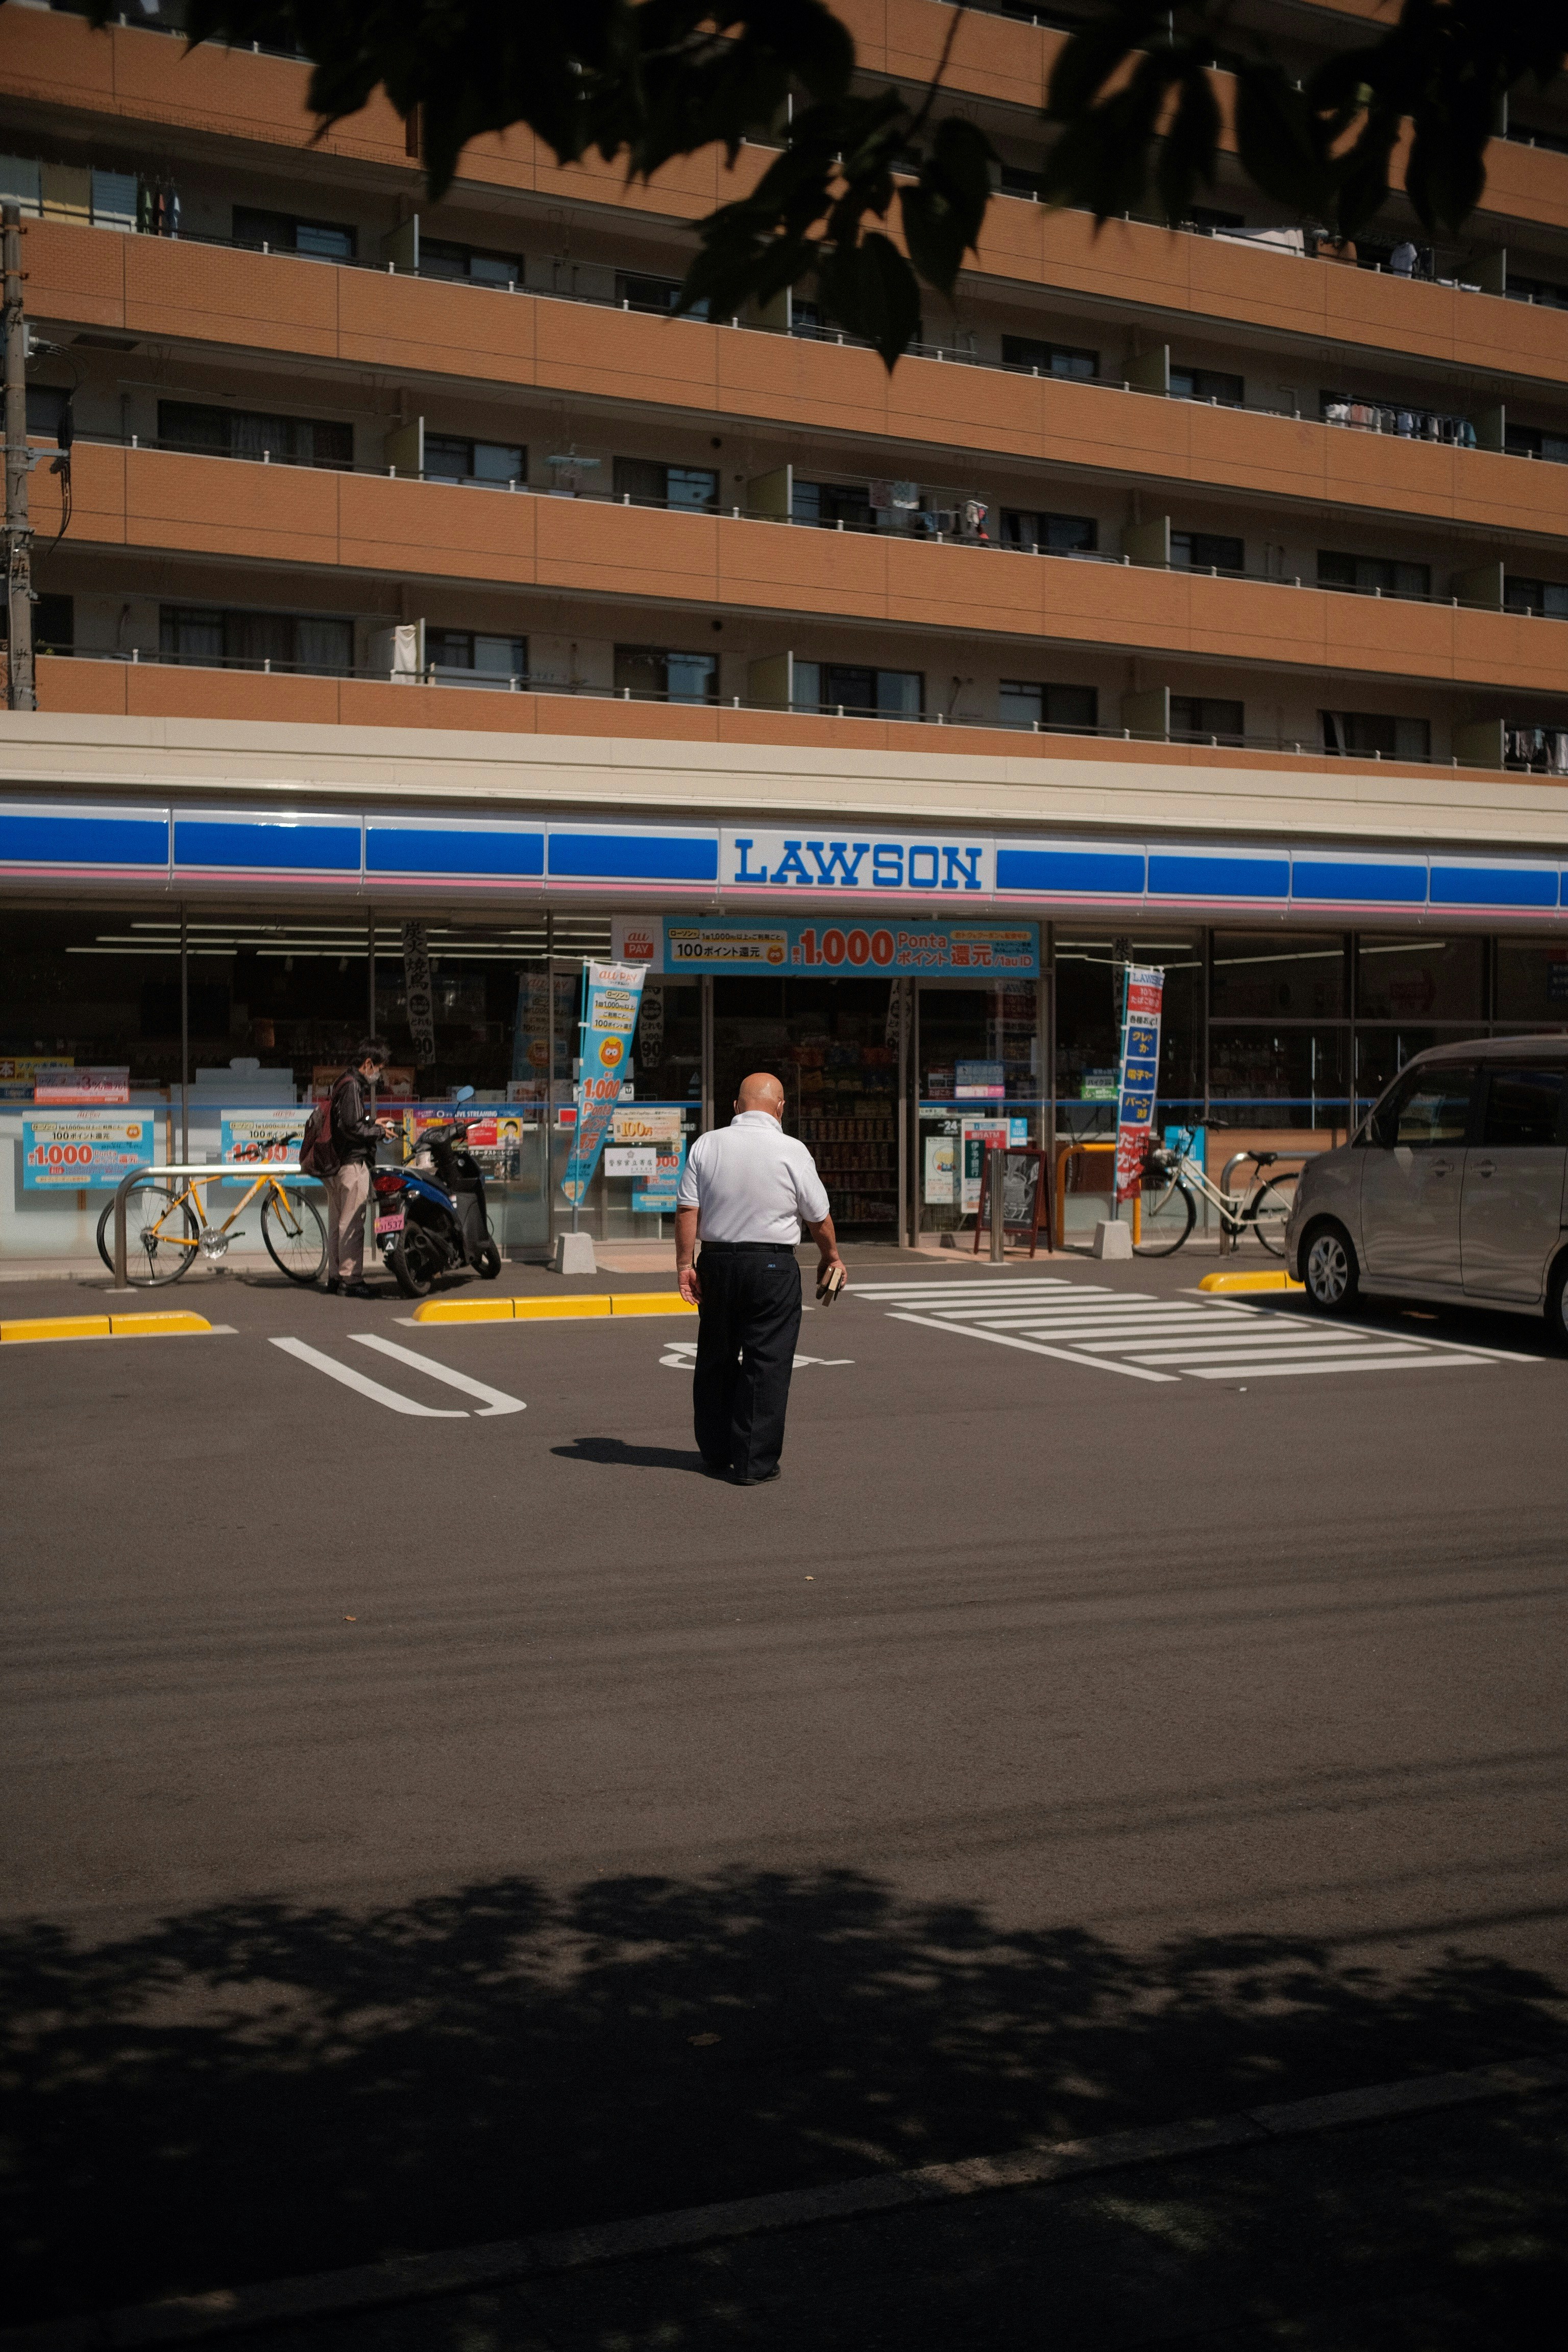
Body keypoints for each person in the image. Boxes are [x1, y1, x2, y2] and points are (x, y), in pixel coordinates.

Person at [674, 1072, 845, 1485]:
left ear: (737, 1106)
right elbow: (818, 1217)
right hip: (772, 1266)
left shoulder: (707, 1145)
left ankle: (715, 1452)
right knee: (766, 1362)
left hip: (717, 1263)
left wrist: (685, 1264)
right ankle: (754, 1462)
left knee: (716, 1357)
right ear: (781, 1108)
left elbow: (686, 1210)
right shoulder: (793, 1150)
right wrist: (831, 1257)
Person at [323, 1038, 394, 1298]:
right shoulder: (353, 1085)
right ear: (368, 1064)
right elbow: (354, 1128)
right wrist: (379, 1130)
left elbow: (349, 1121)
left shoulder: (342, 1081)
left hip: (336, 1165)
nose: (380, 1074)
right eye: (380, 1068)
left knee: (337, 1224)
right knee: (353, 1223)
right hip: (352, 1165)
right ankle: (351, 1280)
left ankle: (335, 1277)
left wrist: (374, 1121)